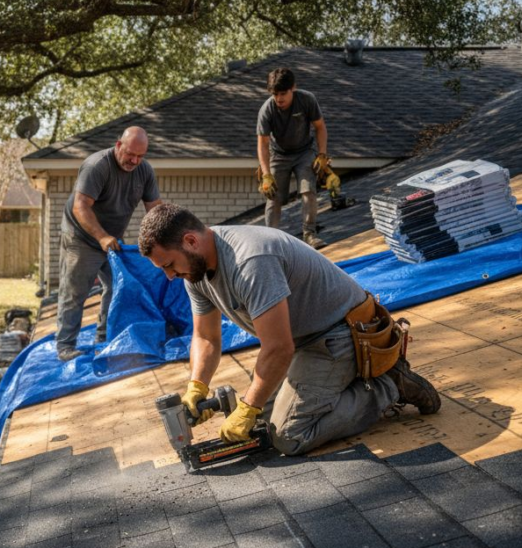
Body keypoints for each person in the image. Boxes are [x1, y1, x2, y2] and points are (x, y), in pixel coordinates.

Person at [138, 203, 441, 455]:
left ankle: (388, 387)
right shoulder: (195, 271)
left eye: (168, 265)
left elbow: (279, 348)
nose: (168, 276)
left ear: (190, 241)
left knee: (287, 435)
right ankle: (336, 389)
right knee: (261, 424)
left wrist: (248, 406)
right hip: (307, 342)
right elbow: (205, 337)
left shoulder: (250, 260)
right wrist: (197, 386)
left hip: (342, 334)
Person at [56, 126, 163, 362]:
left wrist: (160, 237)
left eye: (140, 156)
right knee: (75, 291)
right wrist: (101, 237)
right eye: (130, 154)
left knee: (117, 287)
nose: (134, 161)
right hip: (81, 236)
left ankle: (103, 339)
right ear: (118, 146)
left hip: (113, 239)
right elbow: (80, 206)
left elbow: (154, 208)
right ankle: (65, 347)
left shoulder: (144, 171)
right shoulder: (97, 166)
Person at [257, 67, 329, 249]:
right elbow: (263, 144)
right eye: (275, 94)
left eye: (283, 93)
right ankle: (270, 239)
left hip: (304, 152)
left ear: (293, 88)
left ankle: (309, 234)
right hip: (278, 155)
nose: (279, 99)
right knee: (273, 196)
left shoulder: (306, 100)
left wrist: (322, 154)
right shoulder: (267, 110)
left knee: (308, 190)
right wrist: (266, 174)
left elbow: (320, 127)